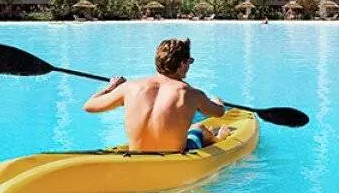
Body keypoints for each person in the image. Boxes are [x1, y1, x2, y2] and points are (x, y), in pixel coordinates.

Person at [83, 38, 230, 152]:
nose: (189, 66)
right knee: (199, 128)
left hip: (137, 155)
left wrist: (112, 87)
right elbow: (219, 112)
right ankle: (217, 139)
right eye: (190, 62)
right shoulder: (191, 93)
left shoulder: (129, 87)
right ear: (182, 64)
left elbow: (89, 106)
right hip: (175, 157)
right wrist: (218, 101)